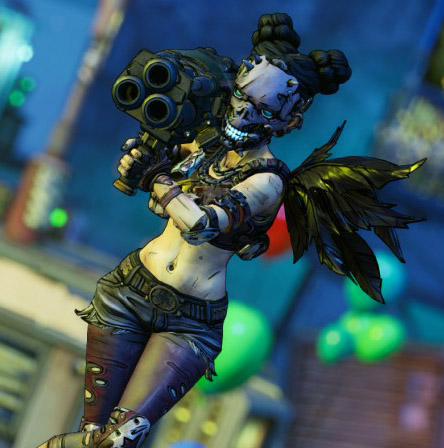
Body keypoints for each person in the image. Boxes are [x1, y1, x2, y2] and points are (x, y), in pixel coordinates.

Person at [38, 12, 424, 448]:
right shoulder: (204, 146)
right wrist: (141, 165)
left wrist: (156, 178)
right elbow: (159, 203)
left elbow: (201, 224)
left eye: (262, 108)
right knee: (93, 434)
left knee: (116, 441)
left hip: (190, 322)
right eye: (241, 96)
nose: (242, 112)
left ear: (289, 120)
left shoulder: (268, 181)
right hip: (129, 290)